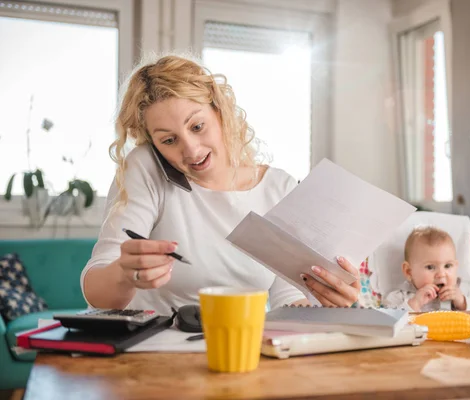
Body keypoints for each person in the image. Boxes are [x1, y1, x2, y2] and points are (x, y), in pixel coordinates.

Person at [81, 54, 360, 315]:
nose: (190, 150)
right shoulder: (147, 167)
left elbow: (286, 297)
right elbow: (98, 292)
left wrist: (329, 304)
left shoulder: (279, 187)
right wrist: (124, 274)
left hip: (239, 348)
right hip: (157, 352)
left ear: (220, 111)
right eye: (169, 140)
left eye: (197, 127)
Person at [382, 226, 470, 312]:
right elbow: (387, 322)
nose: (441, 274)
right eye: (430, 267)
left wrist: (462, 303)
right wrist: (414, 304)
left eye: (447, 266)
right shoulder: (398, 298)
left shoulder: (463, 293)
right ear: (409, 272)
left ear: (456, 267)